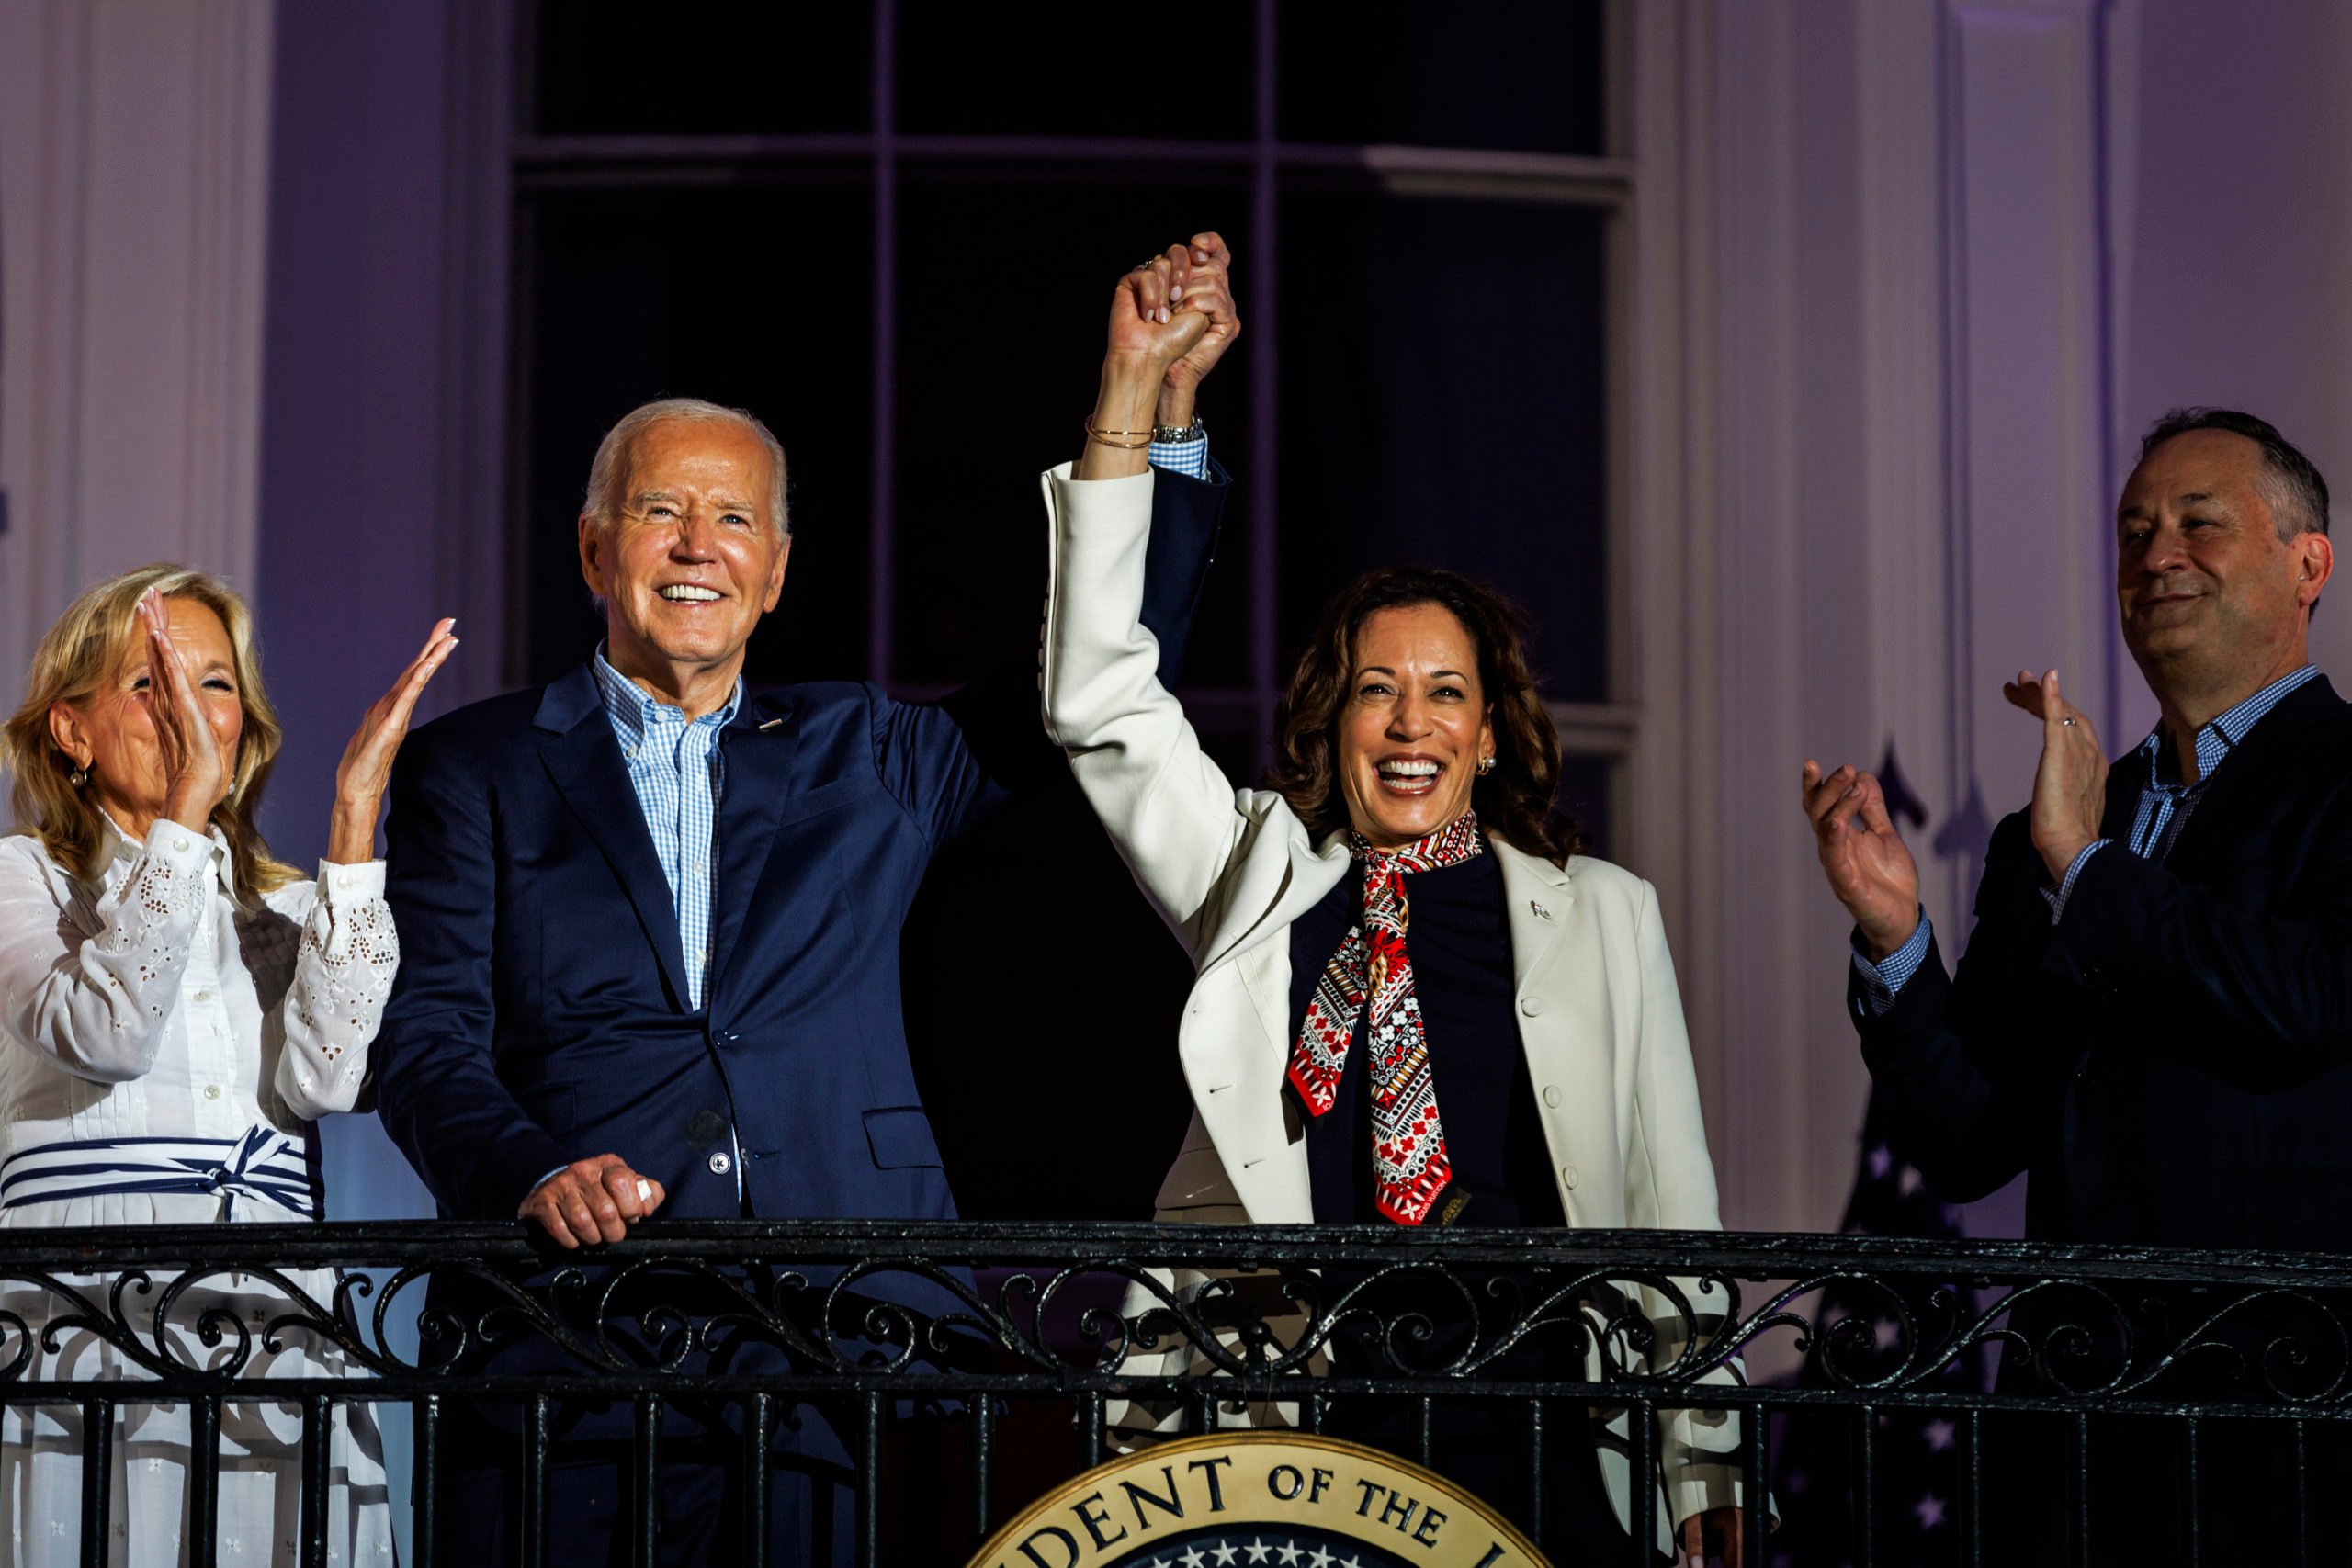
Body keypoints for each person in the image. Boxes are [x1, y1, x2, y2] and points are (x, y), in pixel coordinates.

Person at [371, 236, 1239, 1562]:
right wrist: (531, 1167)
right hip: (563, 1344)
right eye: (663, 512)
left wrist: (1146, 411)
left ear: (777, 569)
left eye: (734, 520)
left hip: (834, 1345)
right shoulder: (475, 765)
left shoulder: (864, 750)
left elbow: (1106, 674)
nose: (697, 546)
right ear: (597, 549)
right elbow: (424, 1040)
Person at [1037, 266, 1753, 1563]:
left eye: (1444, 692)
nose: (1411, 720)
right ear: (1337, 719)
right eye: (1379, 689)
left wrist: (1703, 1463)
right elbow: (1099, 702)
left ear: (1488, 733)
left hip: (1541, 1409)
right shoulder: (1261, 869)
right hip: (1297, 1412)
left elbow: (1673, 1205)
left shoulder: (1602, 914)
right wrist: (1129, 397)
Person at [1801, 407, 2352, 1562]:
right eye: (2133, 532)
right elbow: (1972, 1141)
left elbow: (2310, 1001)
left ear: (2309, 563)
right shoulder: (2048, 830)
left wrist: (2089, 869)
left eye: (2199, 525)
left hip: (2283, 1426)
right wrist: (1896, 938)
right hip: (2069, 1434)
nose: (2156, 556)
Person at [0, 564, 455, 1566]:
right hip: (80, 1324)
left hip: (270, 1321)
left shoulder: (283, 910)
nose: (190, 710)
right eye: (150, 680)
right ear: (70, 732)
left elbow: (332, 1081)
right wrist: (183, 819)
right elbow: (104, 1031)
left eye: (214, 683)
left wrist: (352, 822)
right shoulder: (18, 879)